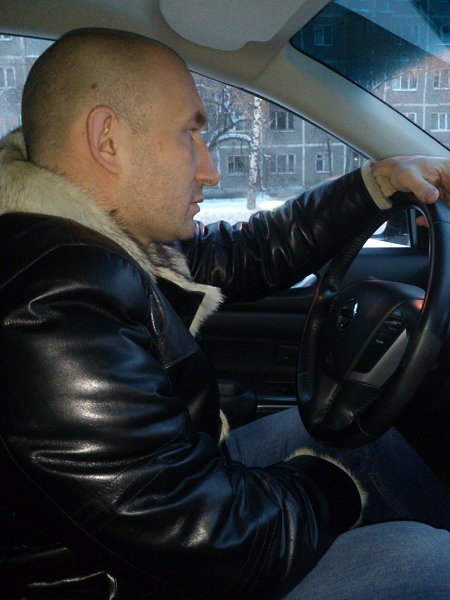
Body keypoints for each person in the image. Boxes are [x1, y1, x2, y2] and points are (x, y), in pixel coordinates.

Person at [0, 28, 448, 600]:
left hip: (173, 502)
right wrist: (331, 487)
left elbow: (240, 256)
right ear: (107, 140)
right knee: (425, 561)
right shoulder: (48, 303)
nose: (210, 170)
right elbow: (207, 542)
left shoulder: (94, 236)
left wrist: (376, 183)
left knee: (359, 441)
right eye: (189, 133)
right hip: (125, 580)